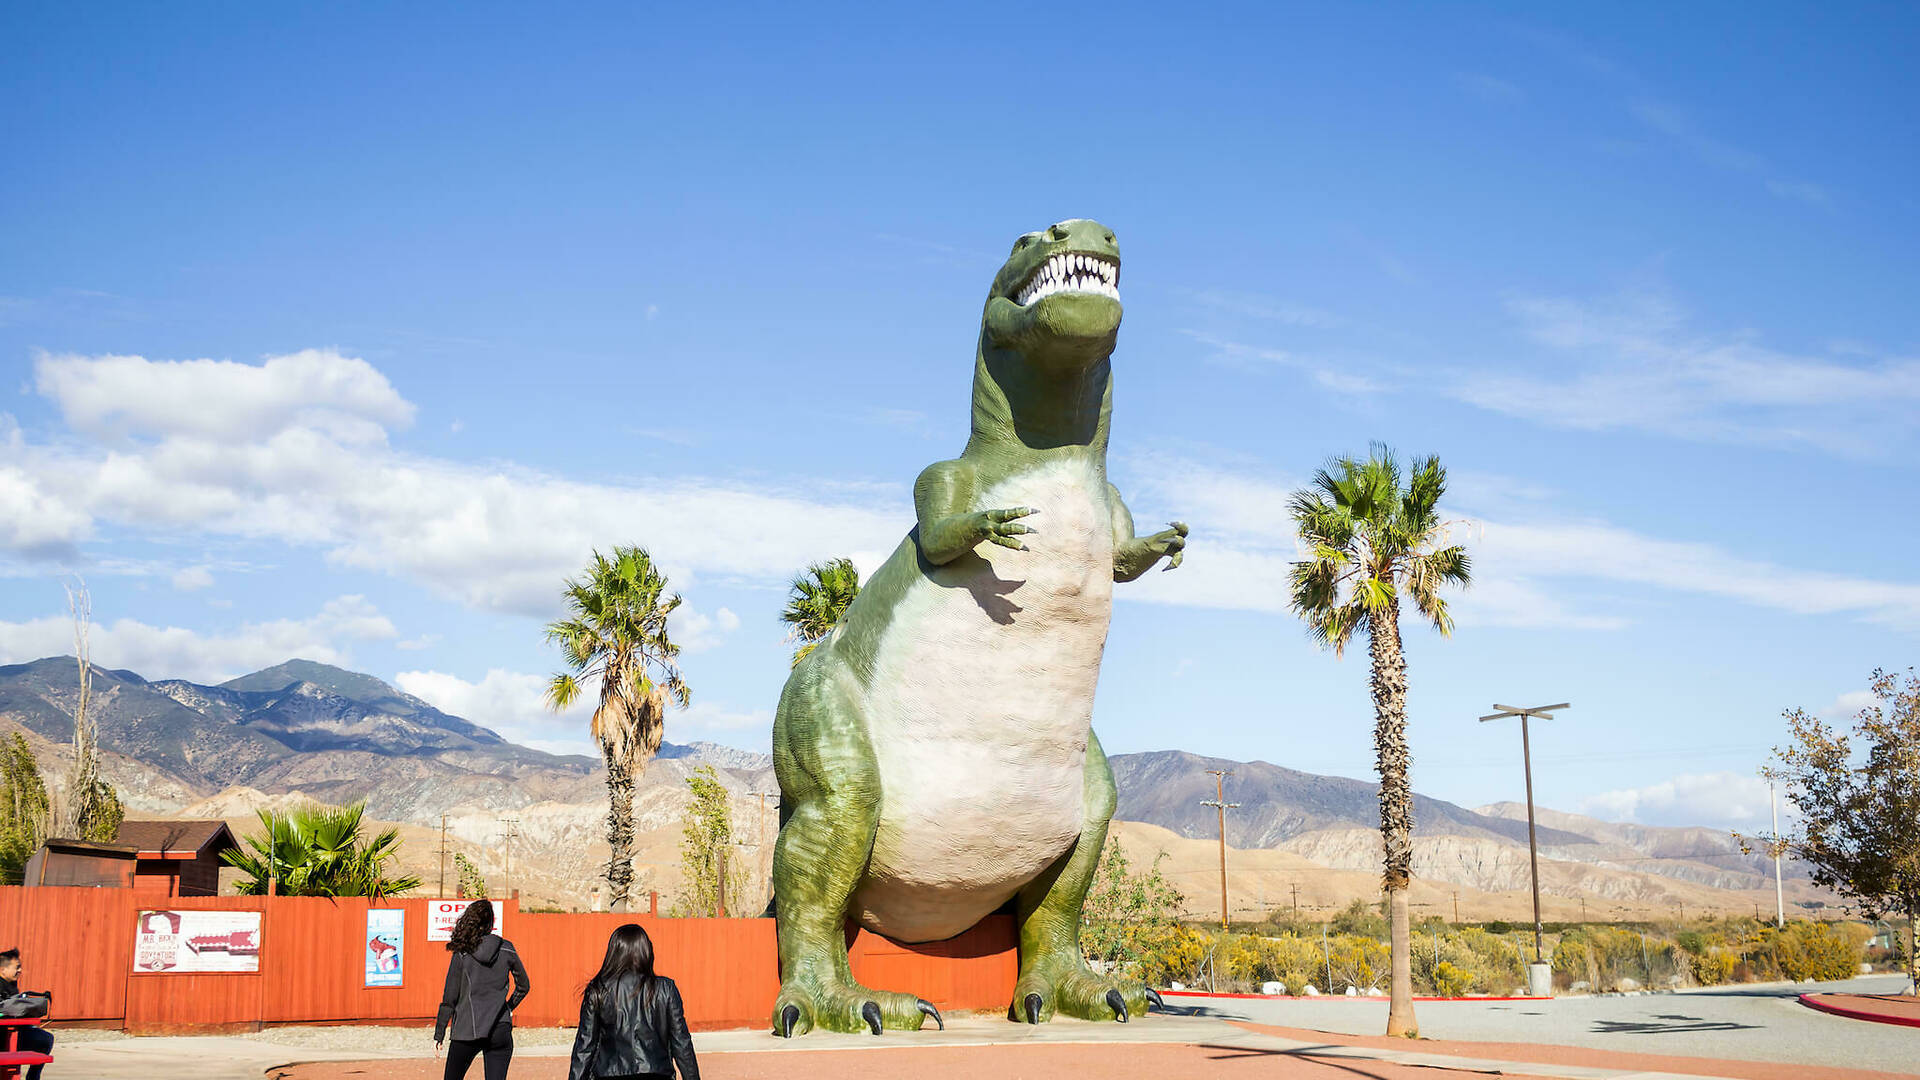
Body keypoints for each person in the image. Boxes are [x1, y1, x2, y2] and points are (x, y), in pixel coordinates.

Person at [568, 924, 699, 1080]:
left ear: (614, 952)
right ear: (646, 951)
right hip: (656, 1072)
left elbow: (584, 1047)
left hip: (610, 1072)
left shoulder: (598, 990)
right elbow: (682, 1043)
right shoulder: (665, 989)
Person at [434, 901, 530, 1080]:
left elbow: (450, 997)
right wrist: (508, 1008)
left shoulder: (462, 952)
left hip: (467, 1029)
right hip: (500, 1029)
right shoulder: (507, 947)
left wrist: (439, 1033)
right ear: (490, 923)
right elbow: (524, 986)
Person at [0, 948, 52, 1080]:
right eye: (17, 967)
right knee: (43, 1040)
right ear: (2, 970)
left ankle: (33, 1077)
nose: (20, 971)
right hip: (3, 1035)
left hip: (12, 1032)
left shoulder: (11, 984)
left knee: (45, 1039)